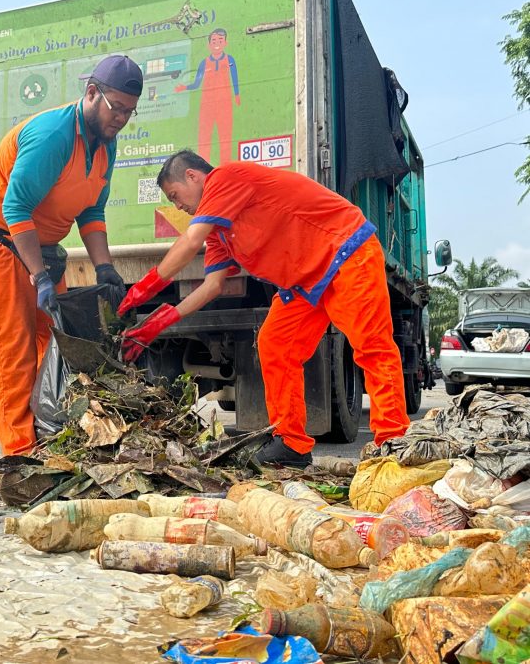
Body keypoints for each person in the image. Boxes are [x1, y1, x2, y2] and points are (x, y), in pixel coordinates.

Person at [117, 150, 409, 467]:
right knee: (275, 343)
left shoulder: (225, 179)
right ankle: (292, 445)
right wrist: (155, 325)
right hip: (305, 282)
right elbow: (211, 286)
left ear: (193, 176)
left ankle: (391, 442)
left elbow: (189, 243)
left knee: (371, 345)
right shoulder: (219, 232)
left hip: (345, 250)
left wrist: (142, 288)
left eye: (175, 195)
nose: (177, 206)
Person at [0, 55, 143, 456]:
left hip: (38, 247)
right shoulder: (54, 135)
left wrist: (105, 266)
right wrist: (40, 277)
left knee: (54, 340)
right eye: (117, 109)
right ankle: (20, 456)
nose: (122, 119)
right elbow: (16, 208)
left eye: (130, 112)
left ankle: (52, 437)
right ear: (92, 93)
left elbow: (91, 210)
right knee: (10, 350)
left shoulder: (106, 143)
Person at [174, 29, 240, 163]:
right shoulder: (204, 63)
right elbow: (197, 83)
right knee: (204, 139)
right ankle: (204, 172)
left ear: (225, 43)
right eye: (214, 41)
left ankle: (226, 169)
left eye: (220, 41)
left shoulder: (230, 60)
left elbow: (235, 78)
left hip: (224, 103)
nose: (217, 44)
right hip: (207, 105)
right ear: (209, 45)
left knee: (225, 137)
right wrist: (184, 87)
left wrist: (237, 94)